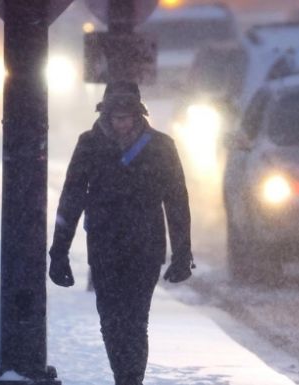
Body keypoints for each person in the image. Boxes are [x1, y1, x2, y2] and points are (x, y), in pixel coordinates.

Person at [49, 81, 194, 385]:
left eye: (127, 116)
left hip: (146, 247)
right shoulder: (89, 144)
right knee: (111, 321)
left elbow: (177, 201)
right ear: (105, 114)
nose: (121, 122)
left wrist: (182, 253)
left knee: (136, 321)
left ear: (139, 114)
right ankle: (124, 377)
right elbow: (71, 197)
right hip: (104, 246)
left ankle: (130, 381)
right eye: (115, 116)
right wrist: (59, 251)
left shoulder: (161, 146)